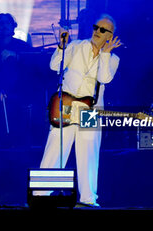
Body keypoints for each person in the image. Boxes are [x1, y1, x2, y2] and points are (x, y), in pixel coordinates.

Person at [38, 14, 121, 207]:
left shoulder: (113, 58)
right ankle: (41, 195)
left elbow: (105, 78)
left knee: (88, 153)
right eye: (95, 27)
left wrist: (106, 54)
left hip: (90, 110)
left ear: (110, 35)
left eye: (102, 30)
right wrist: (61, 46)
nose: (96, 31)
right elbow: (53, 65)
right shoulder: (76, 46)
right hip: (65, 105)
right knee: (55, 150)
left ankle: (88, 200)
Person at [0, 13, 33, 148]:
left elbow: (31, 69)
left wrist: (16, 56)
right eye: (1, 23)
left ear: (13, 26)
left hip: (18, 90)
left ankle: (21, 144)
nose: (4, 26)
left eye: (7, 23)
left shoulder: (23, 47)